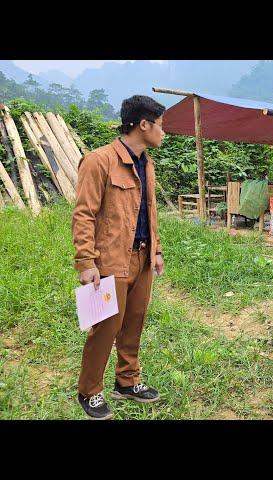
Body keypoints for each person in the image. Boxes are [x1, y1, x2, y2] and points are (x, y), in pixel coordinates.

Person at [72, 95, 166, 419]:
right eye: (160, 125)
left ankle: (127, 381)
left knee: (133, 323)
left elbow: (149, 211)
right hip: (109, 261)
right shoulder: (98, 161)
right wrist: (86, 263)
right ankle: (89, 391)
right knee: (105, 328)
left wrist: (156, 251)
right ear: (144, 125)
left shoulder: (147, 164)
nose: (163, 132)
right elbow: (84, 214)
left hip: (141, 259)